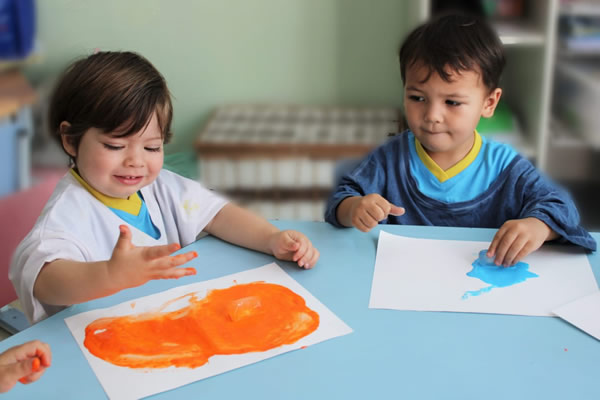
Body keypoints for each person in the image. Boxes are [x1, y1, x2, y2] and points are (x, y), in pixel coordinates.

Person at [9, 51, 320, 324]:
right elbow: (46, 279)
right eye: (115, 145)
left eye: (152, 147)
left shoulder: (162, 187)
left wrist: (270, 238)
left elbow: (218, 214)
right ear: (70, 140)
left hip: (174, 315)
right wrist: (110, 275)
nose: (136, 162)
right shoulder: (66, 217)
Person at [325, 14, 596, 266]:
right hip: (405, 285)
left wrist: (538, 226)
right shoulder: (389, 160)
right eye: (417, 98)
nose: (432, 116)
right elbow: (340, 200)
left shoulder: (506, 168)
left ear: (489, 103)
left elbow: (561, 207)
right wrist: (354, 209)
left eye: (452, 102)